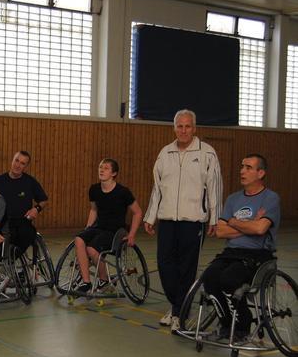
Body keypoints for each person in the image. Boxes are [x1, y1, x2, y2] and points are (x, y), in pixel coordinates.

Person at [143, 109, 223, 332]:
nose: (184, 130)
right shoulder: (165, 153)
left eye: (188, 126)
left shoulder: (207, 153)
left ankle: (179, 312)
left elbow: (215, 188)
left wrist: (214, 218)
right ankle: (178, 305)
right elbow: (157, 189)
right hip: (167, 219)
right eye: (180, 126)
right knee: (164, 265)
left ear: (194, 129)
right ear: (174, 128)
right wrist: (151, 216)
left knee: (186, 269)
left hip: (193, 221)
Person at [202, 154, 279, 340]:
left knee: (229, 279)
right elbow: (220, 231)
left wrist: (234, 222)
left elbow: (261, 229)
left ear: (260, 173)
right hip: (231, 252)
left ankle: (243, 323)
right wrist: (249, 224)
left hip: (257, 254)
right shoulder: (233, 199)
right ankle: (227, 323)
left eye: (248, 167)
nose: (242, 170)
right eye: (242, 166)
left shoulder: (270, 198)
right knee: (209, 278)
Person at [74, 159, 142, 293]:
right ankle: (86, 281)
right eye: (100, 167)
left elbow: (138, 212)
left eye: (106, 168)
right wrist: (87, 228)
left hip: (116, 231)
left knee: (92, 250)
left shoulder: (123, 192)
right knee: (79, 239)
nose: (101, 170)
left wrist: (132, 234)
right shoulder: (94, 189)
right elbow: (94, 210)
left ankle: (104, 279)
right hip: (99, 227)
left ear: (114, 173)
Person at [0, 151, 48, 254]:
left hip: (22, 223)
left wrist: (36, 209)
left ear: (26, 166)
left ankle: (13, 258)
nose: (18, 165)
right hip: (1, 224)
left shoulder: (30, 182)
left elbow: (43, 200)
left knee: (27, 234)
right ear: (12, 161)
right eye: (16, 161)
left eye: (22, 163)